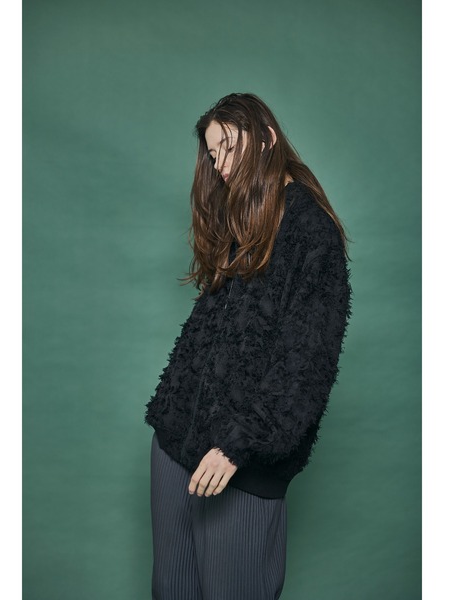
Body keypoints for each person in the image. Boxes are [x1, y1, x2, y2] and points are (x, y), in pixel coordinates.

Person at [145, 92, 352, 600]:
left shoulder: (313, 233)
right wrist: (174, 408)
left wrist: (238, 443)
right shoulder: (244, 221)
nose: (219, 164)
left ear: (267, 139)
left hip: (238, 462)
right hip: (175, 441)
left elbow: (306, 364)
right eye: (212, 153)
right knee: (170, 590)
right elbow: (208, 337)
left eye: (228, 147)